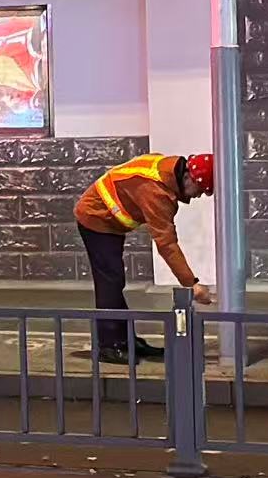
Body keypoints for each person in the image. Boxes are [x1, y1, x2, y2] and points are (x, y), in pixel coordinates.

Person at [72, 152, 216, 364]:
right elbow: (167, 244)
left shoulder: (165, 170)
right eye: (201, 190)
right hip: (95, 218)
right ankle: (110, 346)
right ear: (189, 177)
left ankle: (125, 340)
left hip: (106, 218)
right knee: (110, 282)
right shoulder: (156, 192)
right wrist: (192, 284)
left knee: (113, 281)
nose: (199, 196)